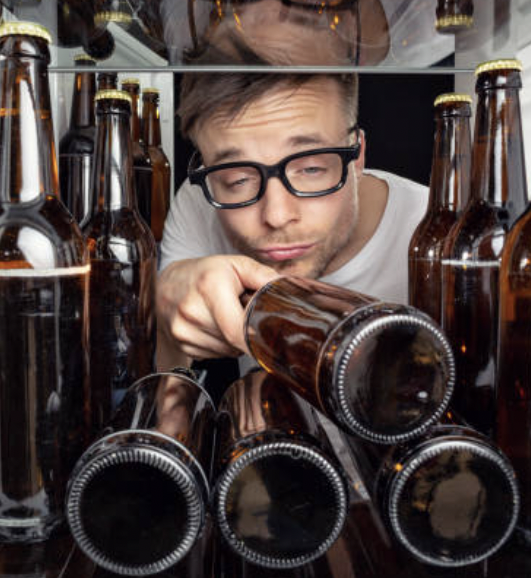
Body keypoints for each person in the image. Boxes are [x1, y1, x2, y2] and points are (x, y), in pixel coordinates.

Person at [157, 73, 428, 372]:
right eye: (238, 180)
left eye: (311, 168)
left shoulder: (437, 232)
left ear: (358, 155)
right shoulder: (201, 199)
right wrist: (164, 303)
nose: (276, 215)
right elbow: (166, 388)